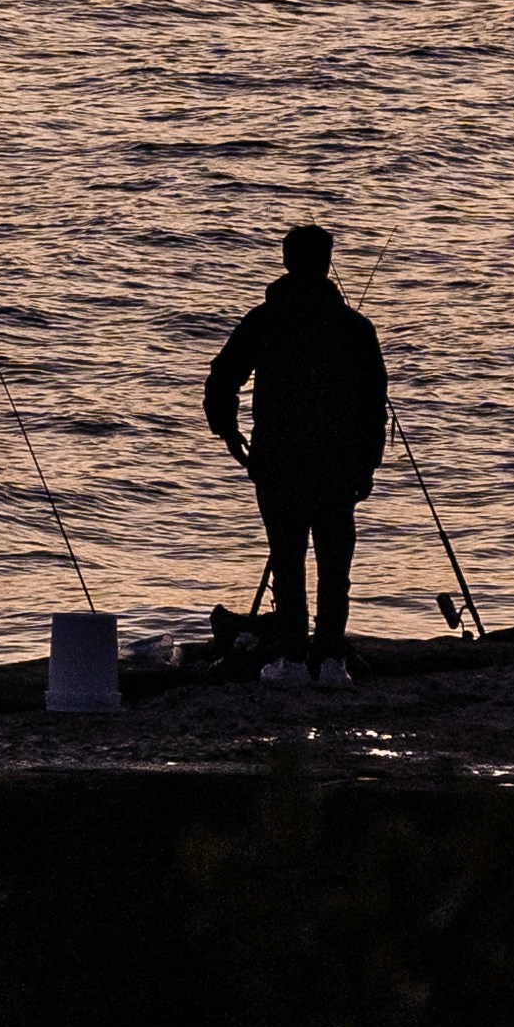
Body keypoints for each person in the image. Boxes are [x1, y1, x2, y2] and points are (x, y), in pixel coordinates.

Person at [202, 224, 392, 687]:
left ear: (286, 262)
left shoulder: (265, 321)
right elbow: (374, 404)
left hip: (278, 461)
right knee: (334, 563)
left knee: (287, 559)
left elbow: (220, 381)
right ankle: (329, 660)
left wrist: (230, 435)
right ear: (327, 263)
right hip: (337, 464)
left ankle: (290, 657)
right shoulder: (354, 327)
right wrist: (368, 463)